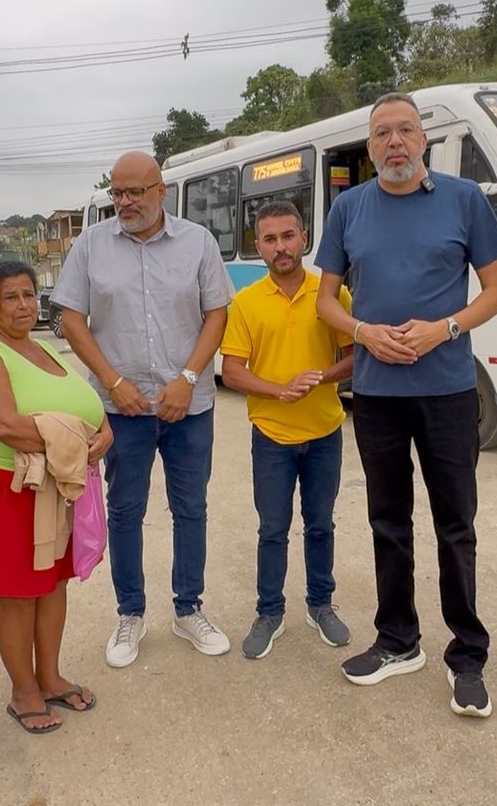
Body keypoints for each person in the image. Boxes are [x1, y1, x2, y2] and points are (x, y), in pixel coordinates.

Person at [315, 92, 497, 717]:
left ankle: (468, 655)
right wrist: (363, 332)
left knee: (457, 525)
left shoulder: (464, 199)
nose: (393, 142)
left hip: (449, 391)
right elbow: (326, 303)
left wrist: (443, 329)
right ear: (369, 147)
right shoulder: (348, 208)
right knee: (387, 522)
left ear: (423, 140)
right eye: (381, 134)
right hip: (376, 395)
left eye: (404, 130)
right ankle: (398, 640)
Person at [51, 150, 235, 667]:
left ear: (161, 191)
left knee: (191, 508)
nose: (125, 202)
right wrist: (113, 382)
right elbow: (71, 318)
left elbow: (215, 314)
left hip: (188, 408)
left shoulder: (197, 243)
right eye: (117, 193)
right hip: (122, 411)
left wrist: (189, 378)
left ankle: (188, 608)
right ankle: (130, 614)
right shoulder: (90, 246)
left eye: (135, 192)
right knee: (126, 511)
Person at [0, 261, 113, 733]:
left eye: (29, 295)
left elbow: (88, 408)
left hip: (58, 485)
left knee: (53, 583)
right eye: (11, 297)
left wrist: (104, 434)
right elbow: (5, 425)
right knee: (20, 590)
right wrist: (78, 439)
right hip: (8, 487)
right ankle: (22, 689)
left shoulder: (48, 349)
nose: (24, 305)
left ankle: (49, 675)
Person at [220, 201, 354, 659]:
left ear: (304, 238)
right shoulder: (246, 302)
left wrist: (323, 377)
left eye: (289, 236)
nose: (281, 247)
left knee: (321, 525)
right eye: (270, 239)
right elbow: (232, 371)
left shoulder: (330, 293)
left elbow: (356, 356)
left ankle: (321, 605)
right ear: (257, 246)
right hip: (272, 436)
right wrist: (280, 390)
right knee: (273, 529)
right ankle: (270, 612)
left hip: (324, 432)